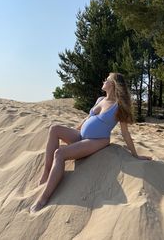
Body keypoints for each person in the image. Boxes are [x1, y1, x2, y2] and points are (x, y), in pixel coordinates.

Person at [30, 72, 152, 213]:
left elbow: (125, 133)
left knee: (60, 153)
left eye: (106, 80)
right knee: (55, 129)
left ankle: (44, 197)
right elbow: (87, 119)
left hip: (96, 141)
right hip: (81, 136)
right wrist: (71, 133)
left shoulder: (119, 107)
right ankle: (46, 173)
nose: (103, 81)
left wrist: (136, 155)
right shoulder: (100, 99)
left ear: (112, 84)